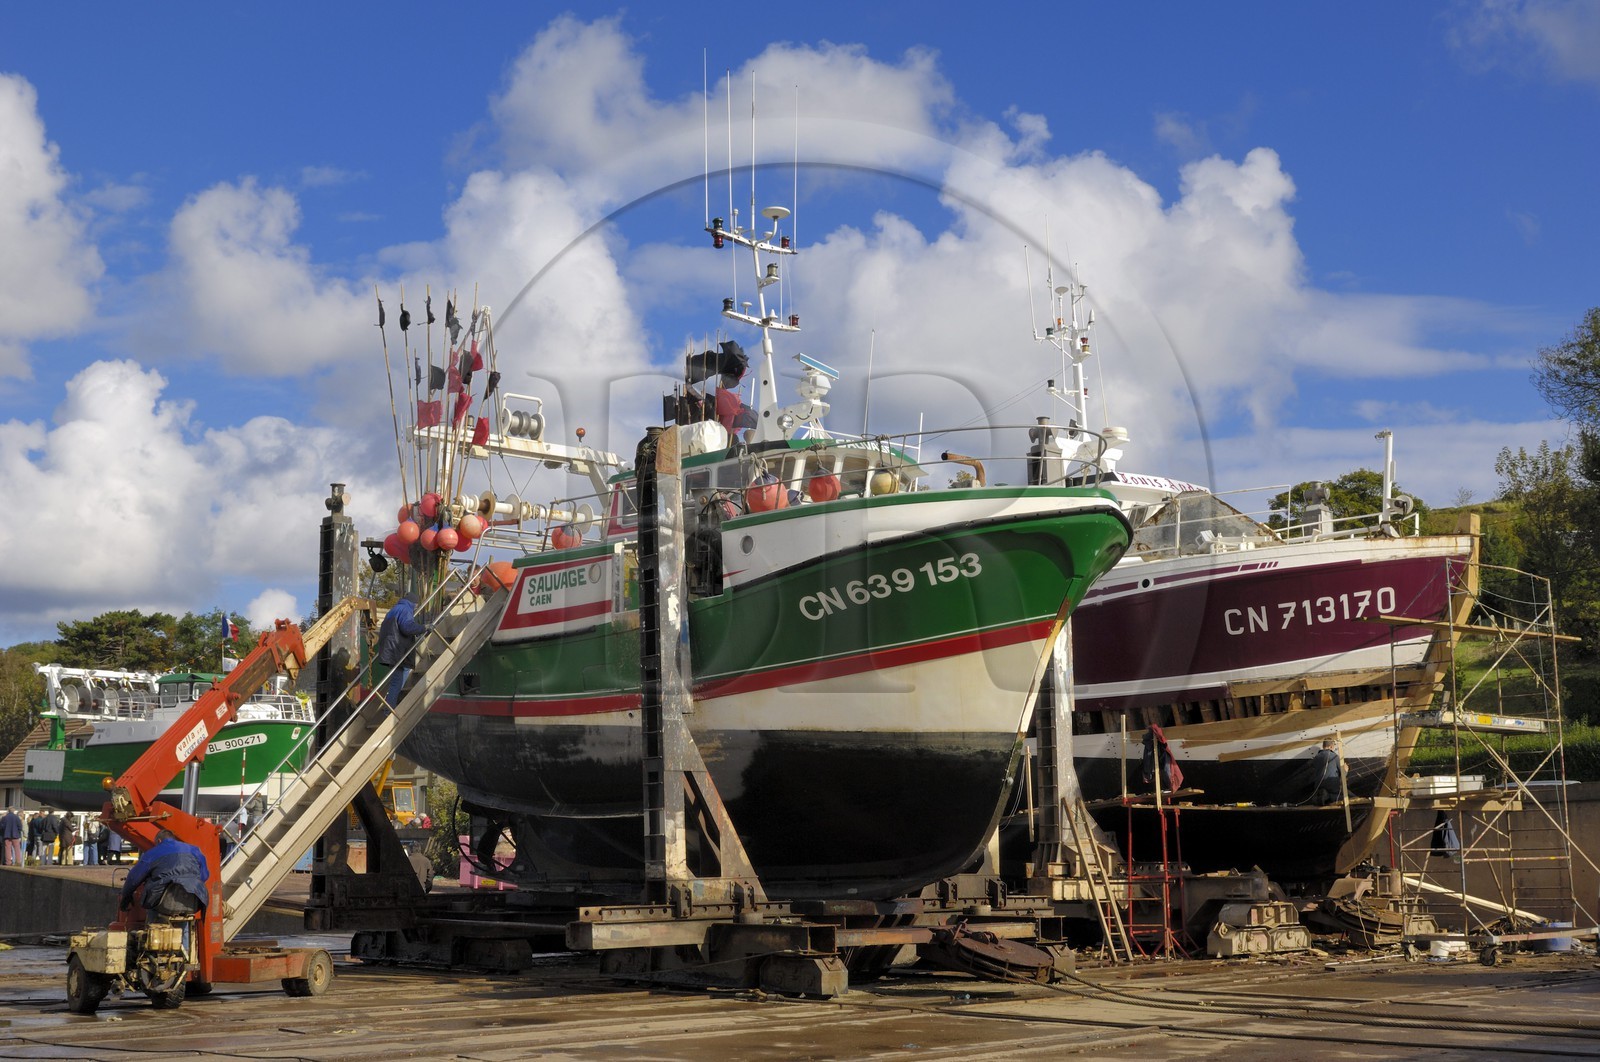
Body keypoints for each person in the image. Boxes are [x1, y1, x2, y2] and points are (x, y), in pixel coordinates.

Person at [120, 829, 210, 950]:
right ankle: (185, 953)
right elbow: (204, 876)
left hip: (163, 903)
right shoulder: (194, 850)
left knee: (153, 913)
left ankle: (152, 949)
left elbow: (134, 878)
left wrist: (126, 895)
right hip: (192, 902)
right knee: (183, 920)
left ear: (159, 840)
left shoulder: (153, 853)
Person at [376, 593, 428, 710]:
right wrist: (424, 627)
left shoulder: (394, 609)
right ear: (414, 603)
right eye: (416, 605)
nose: (416, 607)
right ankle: (389, 711)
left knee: (401, 674)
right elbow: (407, 627)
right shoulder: (405, 610)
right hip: (397, 650)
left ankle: (391, 707)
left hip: (391, 649)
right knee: (396, 682)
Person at [1306, 738, 1344, 805]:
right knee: (1343, 795)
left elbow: (1310, 765)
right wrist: (1346, 771)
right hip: (1332, 785)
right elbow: (1342, 773)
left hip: (1319, 786)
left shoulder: (1317, 757)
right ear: (1331, 746)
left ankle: (1322, 796)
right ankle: (1328, 796)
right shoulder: (1334, 756)